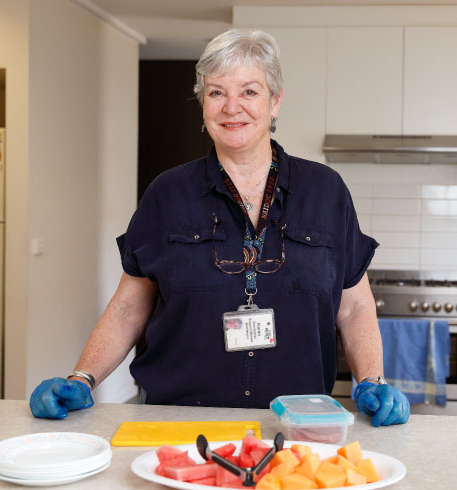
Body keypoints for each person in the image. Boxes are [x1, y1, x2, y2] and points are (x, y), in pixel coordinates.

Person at [29, 29, 410, 427]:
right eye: (216, 93)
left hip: (295, 421)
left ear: (275, 102)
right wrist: (83, 378)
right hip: (175, 421)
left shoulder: (326, 191)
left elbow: (355, 305)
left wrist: (372, 379)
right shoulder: (167, 193)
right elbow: (128, 307)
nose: (232, 108)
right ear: (203, 104)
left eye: (249, 92)